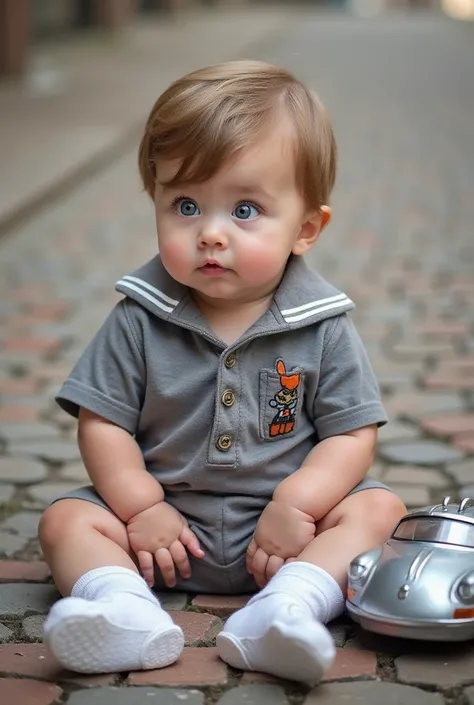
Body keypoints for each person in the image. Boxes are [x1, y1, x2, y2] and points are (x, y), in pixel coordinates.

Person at [39, 60, 406, 684]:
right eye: (185, 204)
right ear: (154, 202)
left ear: (307, 228)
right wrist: (140, 506)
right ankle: (123, 609)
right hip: (161, 539)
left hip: (287, 539)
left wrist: (298, 502)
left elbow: (351, 433)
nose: (210, 234)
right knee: (65, 521)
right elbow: (103, 423)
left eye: (244, 210)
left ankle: (289, 607)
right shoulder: (140, 318)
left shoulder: (322, 325)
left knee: (380, 511)